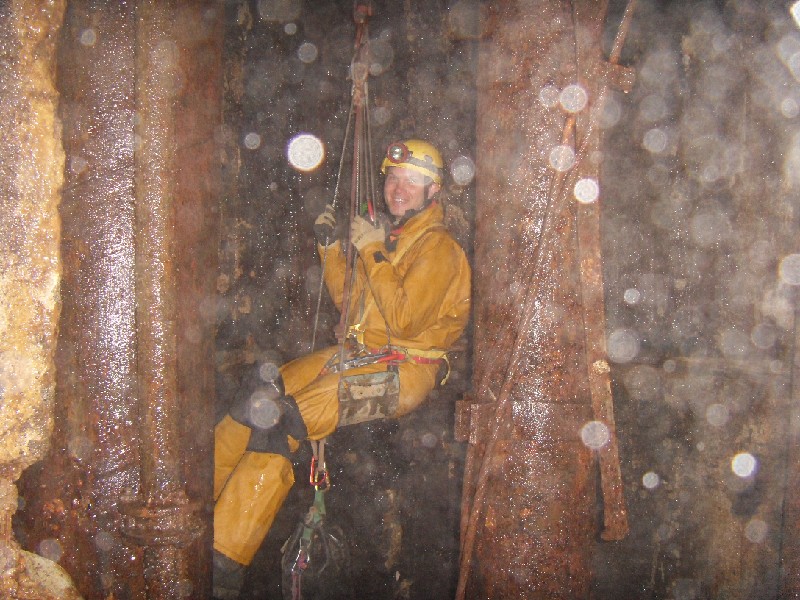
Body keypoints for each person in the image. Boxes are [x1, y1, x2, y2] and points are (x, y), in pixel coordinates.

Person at [212, 138, 471, 598]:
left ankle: (221, 562)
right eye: (394, 178)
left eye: (412, 181)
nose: (398, 188)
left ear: (433, 192)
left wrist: (371, 250)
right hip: (362, 353)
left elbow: (404, 319)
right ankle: (202, 501)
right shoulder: (395, 240)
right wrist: (332, 250)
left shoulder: (439, 250)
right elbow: (353, 309)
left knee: (285, 420)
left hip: (403, 371)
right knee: (259, 396)